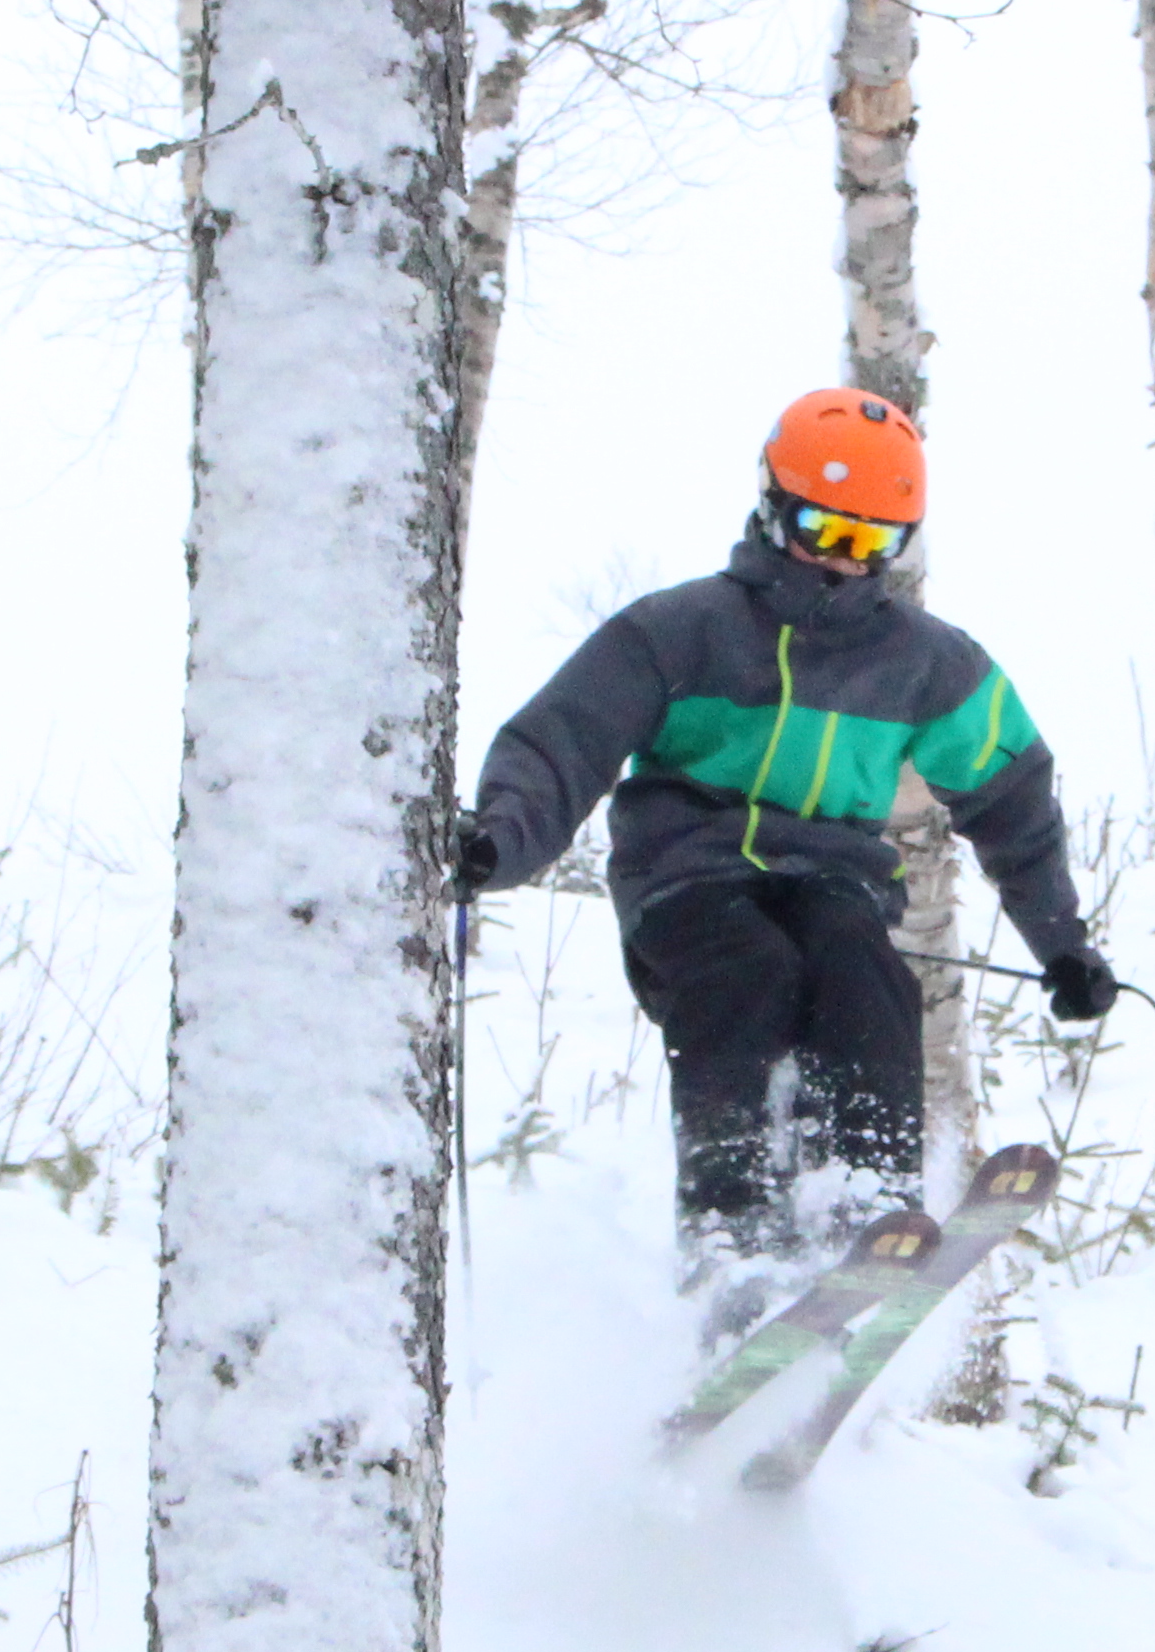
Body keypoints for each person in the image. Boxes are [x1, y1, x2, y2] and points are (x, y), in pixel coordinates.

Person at [458, 385, 1120, 1257]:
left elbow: (1015, 799)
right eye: (825, 531)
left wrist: (1062, 944)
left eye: (872, 543)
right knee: (749, 972)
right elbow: (563, 742)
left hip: (832, 878)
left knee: (864, 972)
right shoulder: (681, 630)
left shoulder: (924, 662)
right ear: (775, 507)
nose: (844, 560)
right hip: (688, 878)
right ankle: (731, 1234)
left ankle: (871, 1209)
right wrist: (498, 841)